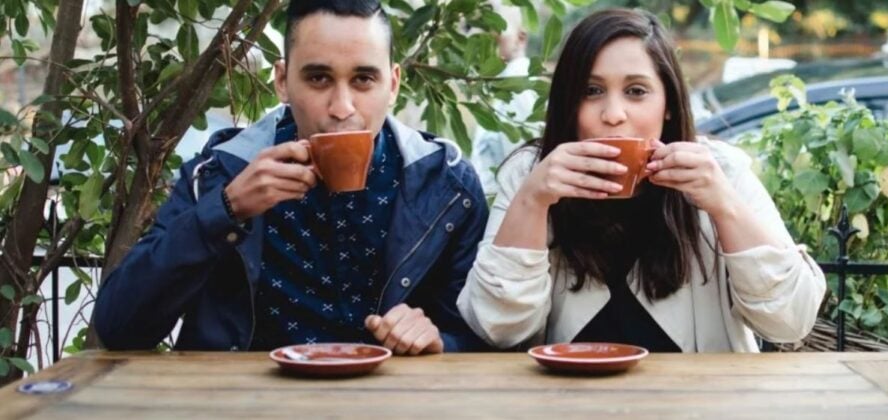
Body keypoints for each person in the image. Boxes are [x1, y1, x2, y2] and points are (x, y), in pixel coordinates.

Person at [93, 0, 489, 355]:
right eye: (318, 78)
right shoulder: (222, 172)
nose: (341, 107)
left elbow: (486, 336)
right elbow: (119, 328)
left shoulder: (445, 186)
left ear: (394, 84)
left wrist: (440, 340)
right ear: (282, 81)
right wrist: (225, 209)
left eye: (363, 80)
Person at [457, 9, 826, 352]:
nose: (613, 114)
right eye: (592, 91)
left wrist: (724, 205)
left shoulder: (720, 171)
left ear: (668, 105)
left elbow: (790, 322)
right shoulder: (531, 175)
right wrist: (533, 202)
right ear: (569, 103)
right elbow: (497, 327)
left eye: (636, 91)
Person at [471, 3, 539, 196]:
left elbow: (523, 172)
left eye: (496, 33)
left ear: (521, 38)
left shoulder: (519, 88)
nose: (485, 41)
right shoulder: (500, 88)